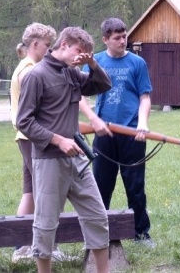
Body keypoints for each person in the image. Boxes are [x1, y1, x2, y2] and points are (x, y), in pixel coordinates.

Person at [16, 26, 112, 273]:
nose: (80, 57)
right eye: (79, 51)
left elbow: (102, 85)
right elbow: (23, 121)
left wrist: (91, 63)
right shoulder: (36, 76)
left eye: (86, 53)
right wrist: (58, 140)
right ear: (64, 44)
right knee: (46, 224)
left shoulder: (73, 74)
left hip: (78, 160)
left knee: (98, 217)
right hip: (49, 161)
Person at [80, 17, 154, 247]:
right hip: (103, 135)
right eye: (117, 38)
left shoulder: (137, 63)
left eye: (125, 36)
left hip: (133, 134)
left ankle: (141, 235)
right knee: (100, 187)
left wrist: (142, 123)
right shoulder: (95, 62)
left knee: (135, 187)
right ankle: (97, 236)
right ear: (105, 40)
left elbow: (145, 97)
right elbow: (78, 95)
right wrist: (93, 119)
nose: (123, 41)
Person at [10, 22, 58, 262]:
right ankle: (43, 246)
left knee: (29, 192)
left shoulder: (26, 66)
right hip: (33, 138)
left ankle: (20, 245)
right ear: (35, 44)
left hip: (26, 138)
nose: (49, 51)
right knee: (44, 193)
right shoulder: (30, 71)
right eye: (48, 46)